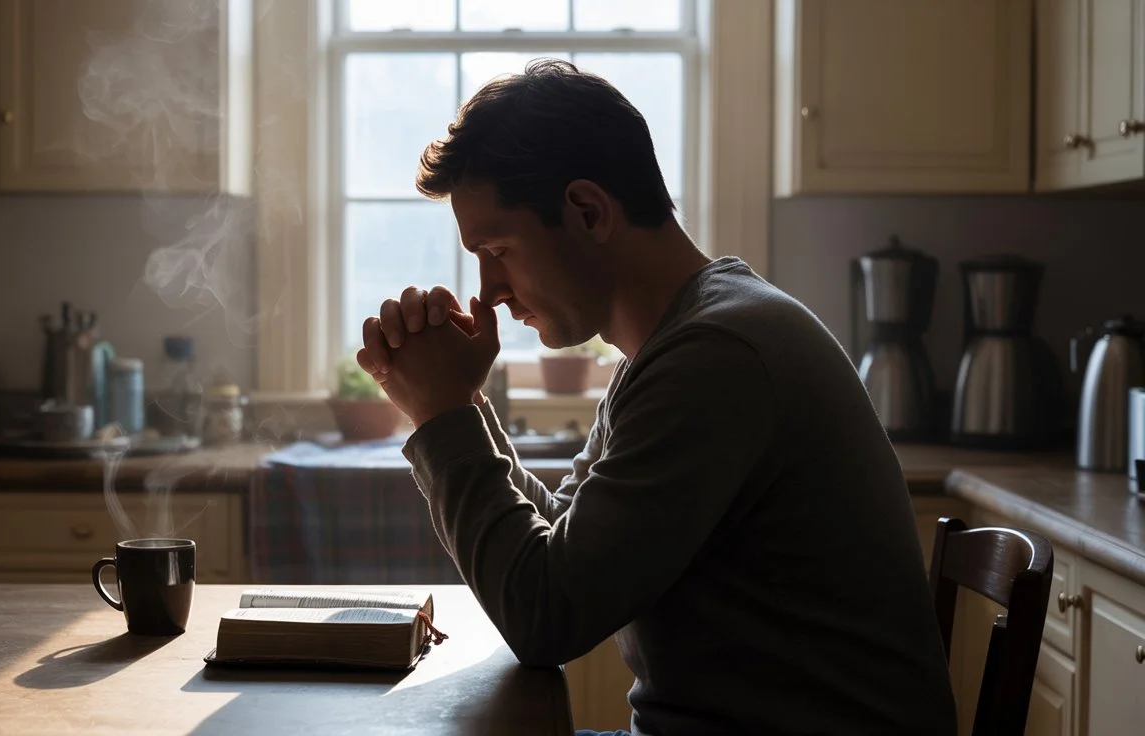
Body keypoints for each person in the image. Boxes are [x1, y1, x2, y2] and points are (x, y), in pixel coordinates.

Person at [354, 59, 956, 736]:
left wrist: (444, 415)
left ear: (588, 211)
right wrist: (460, 402)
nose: (489, 287)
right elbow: (563, 537)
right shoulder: (677, 345)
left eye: (498, 248)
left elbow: (545, 614)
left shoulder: (717, 356)